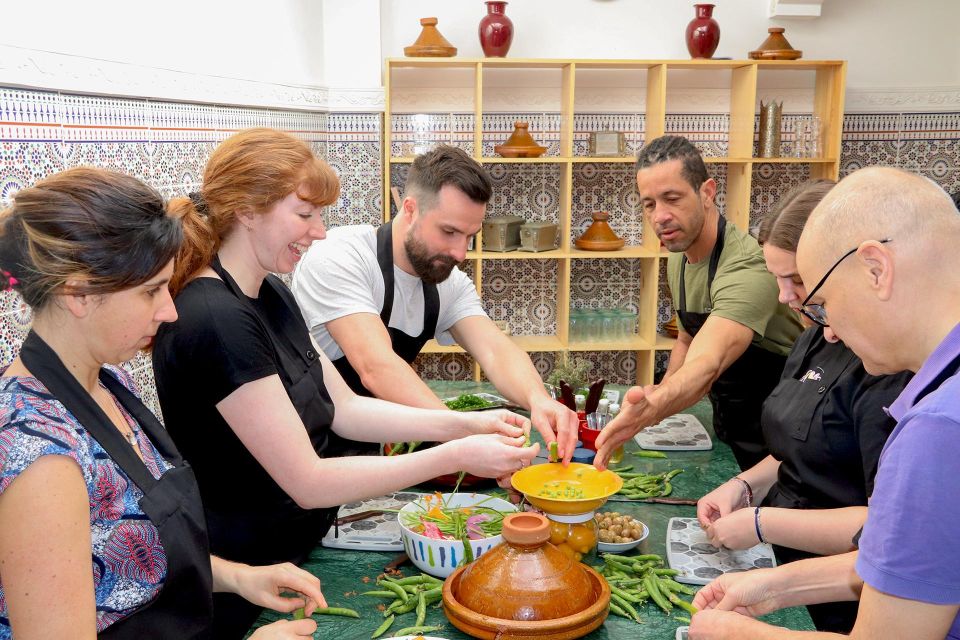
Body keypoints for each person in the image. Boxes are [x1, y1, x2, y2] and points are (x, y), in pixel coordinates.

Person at [151, 129, 539, 638]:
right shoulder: (214, 318)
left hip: (294, 552)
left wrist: (465, 424)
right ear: (248, 210)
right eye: (306, 214)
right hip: (248, 577)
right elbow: (308, 480)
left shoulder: (268, 292)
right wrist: (456, 454)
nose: (319, 232)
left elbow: (344, 406)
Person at [0, 168, 326, 639]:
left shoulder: (106, 380)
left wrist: (239, 577)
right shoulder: (38, 458)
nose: (170, 310)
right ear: (79, 294)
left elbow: (128, 555)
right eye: (151, 291)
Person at [690, 167, 960, 639]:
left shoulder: (938, 430)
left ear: (876, 269)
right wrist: (774, 587)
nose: (828, 328)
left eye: (823, 302)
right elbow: (907, 569)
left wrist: (734, 634)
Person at [291, 145, 578, 460]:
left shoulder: (447, 281)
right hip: (308, 447)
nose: (460, 253)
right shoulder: (341, 256)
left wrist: (538, 399)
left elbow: (496, 351)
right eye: (449, 231)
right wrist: (461, 432)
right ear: (411, 209)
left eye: (470, 236)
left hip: (372, 447)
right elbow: (376, 367)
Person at [595, 135, 803, 471]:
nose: (660, 216)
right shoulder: (678, 256)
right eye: (649, 204)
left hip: (778, 434)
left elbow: (709, 362)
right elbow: (688, 339)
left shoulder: (747, 266)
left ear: (707, 192)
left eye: (672, 198)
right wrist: (657, 398)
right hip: (730, 424)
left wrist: (652, 409)